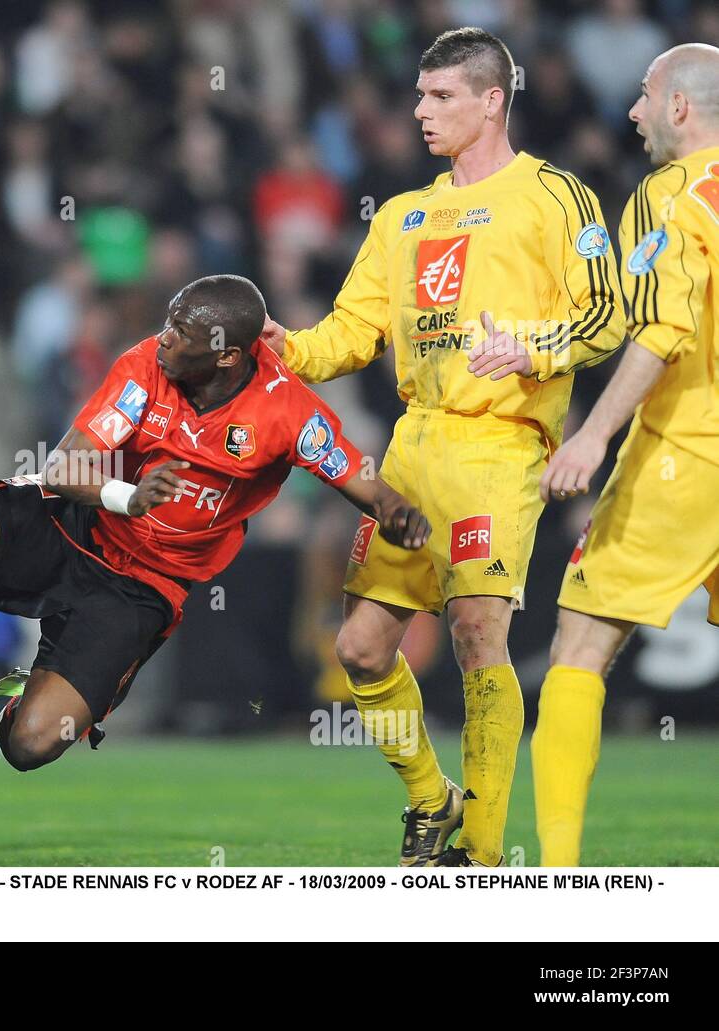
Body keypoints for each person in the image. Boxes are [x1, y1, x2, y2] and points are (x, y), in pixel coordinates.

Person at [259, 27, 626, 866]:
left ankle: (485, 855)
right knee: (358, 648)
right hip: (413, 445)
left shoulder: (555, 197)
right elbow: (352, 330)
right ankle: (434, 799)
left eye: (442, 97)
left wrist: (533, 347)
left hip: (501, 442)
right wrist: (290, 345)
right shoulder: (402, 214)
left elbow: (607, 313)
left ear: (492, 100)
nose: (422, 111)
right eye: (421, 96)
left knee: (474, 631)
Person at [0, 274, 429, 772]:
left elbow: (362, 483)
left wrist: (400, 514)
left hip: (144, 587)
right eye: (168, 323)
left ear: (226, 354)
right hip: (81, 524)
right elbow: (62, 467)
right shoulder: (144, 366)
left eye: (181, 333)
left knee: (32, 744)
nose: (164, 339)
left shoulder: (286, 411)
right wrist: (128, 497)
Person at [532, 43, 719, 866]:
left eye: (646, 97)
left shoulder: (671, 196)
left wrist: (593, 432)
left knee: (580, 642)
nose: (635, 113)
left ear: (680, 107)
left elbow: (661, 330)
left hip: (690, 451)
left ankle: (560, 878)